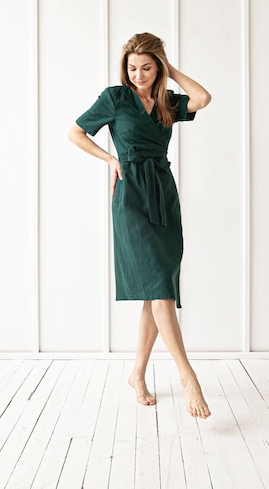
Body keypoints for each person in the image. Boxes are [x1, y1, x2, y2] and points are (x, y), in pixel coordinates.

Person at [68, 32, 212, 418]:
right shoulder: (115, 98)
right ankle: (187, 376)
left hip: (163, 195)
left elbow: (202, 99)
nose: (138, 75)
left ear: (158, 67)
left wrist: (170, 71)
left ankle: (136, 374)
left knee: (157, 287)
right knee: (160, 290)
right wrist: (110, 159)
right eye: (132, 68)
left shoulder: (166, 101)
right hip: (131, 196)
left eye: (147, 67)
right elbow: (75, 132)